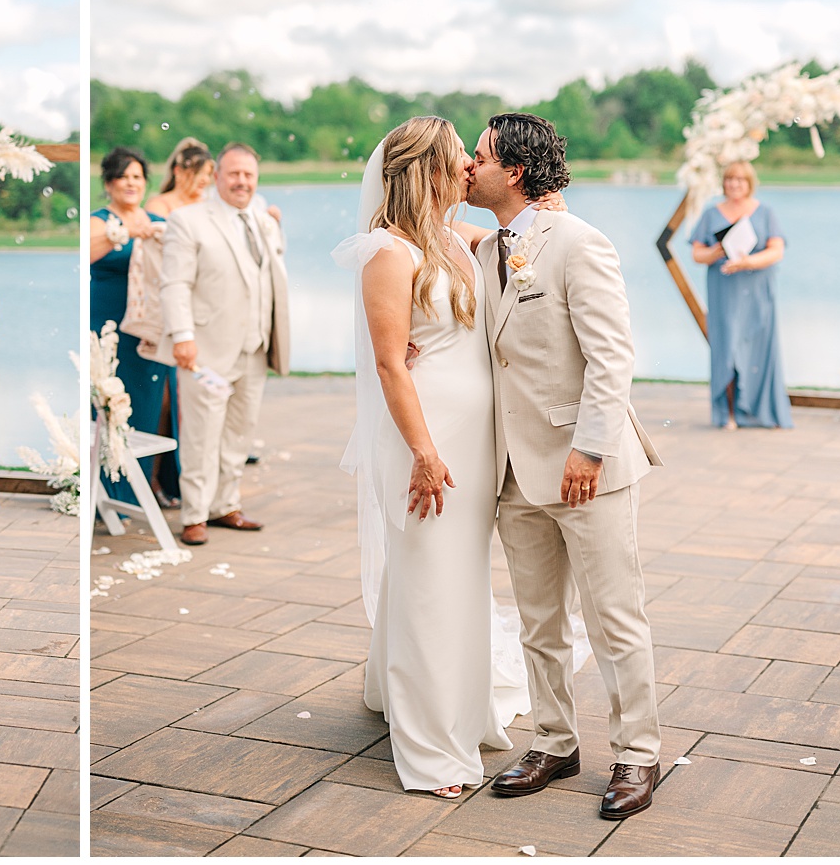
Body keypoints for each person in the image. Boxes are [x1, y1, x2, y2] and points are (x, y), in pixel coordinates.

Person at [469, 112, 664, 820]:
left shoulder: (581, 244)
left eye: (479, 155)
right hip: (514, 472)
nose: (467, 165)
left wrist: (589, 446)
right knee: (537, 619)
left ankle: (639, 752)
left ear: (513, 170)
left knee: (615, 617)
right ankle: (554, 739)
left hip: (587, 467)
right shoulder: (488, 246)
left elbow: (612, 356)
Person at [336, 118, 525, 798]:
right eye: (459, 162)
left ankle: (420, 693)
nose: (470, 171)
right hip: (428, 441)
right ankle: (432, 746)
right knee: (430, 580)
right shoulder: (388, 252)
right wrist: (422, 450)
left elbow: (524, 233)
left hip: (472, 442)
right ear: (428, 172)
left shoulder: (451, 237)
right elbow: (390, 363)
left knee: (453, 575)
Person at [153, 143, 289, 546]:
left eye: (249, 174)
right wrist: (182, 337)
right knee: (201, 436)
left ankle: (225, 505)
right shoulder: (188, 220)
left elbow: (269, 275)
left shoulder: (263, 221)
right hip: (206, 349)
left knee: (239, 433)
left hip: (256, 345)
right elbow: (175, 283)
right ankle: (194, 514)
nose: (242, 181)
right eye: (233, 174)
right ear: (216, 177)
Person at [90, 148, 179, 508]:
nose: (130, 183)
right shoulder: (99, 221)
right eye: (123, 176)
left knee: (150, 404)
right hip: (108, 328)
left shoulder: (159, 220)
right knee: (109, 406)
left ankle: (146, 487)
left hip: (149, 327)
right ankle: (110, 493)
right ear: (110, 183)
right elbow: (89, 252)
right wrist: (124, 231)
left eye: (137, 176)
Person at [688, 161, 792, 429]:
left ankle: (760, 412)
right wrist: (716, 253)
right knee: (727, 348)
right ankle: (730, 413)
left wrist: (748, 262)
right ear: (724, 182)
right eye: (730, 179)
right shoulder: (712, 214)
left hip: (757, 290)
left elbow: (777, 250)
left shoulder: (765, 212)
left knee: (758, 347)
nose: (735, 184)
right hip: (724, 291)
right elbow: (697, 253)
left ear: (749, 183)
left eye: (741, 179)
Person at [144, 137, 214, 218]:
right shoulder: (159, 205)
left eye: (208, 174)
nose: (205, 180)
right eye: (198, 173)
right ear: (178, 171)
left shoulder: (209, 205)